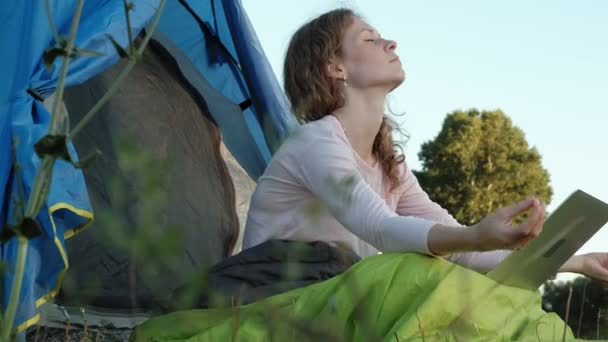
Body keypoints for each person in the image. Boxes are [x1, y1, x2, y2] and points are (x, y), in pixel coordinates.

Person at [134, 8, 607, 340]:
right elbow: (381, 228)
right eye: (369, 38)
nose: (390, 42)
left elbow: (462, 253)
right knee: (407, 271)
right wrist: (476, 236)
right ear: (335, 67)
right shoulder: (316, 142)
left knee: (490, 294)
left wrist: (577, 262)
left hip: (338, 303)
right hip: (273, 301)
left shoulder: (392, 168)